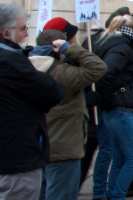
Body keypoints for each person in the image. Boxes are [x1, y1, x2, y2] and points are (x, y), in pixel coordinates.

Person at [0, 3, 64, 199]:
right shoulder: (7, 60)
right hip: (16, 158)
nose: (26, 34)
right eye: (23, 28)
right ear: (6, 34)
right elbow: (53, 92)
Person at [36, 22, 108, 200]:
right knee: (61, 193)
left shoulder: (27, 69)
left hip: (41, 144)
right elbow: (98, 67)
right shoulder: (62, 72)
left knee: (44, 191)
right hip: (64, 146)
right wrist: (70, 49)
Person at [89, 14, 133, 200]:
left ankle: (113, 194)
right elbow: (105, 74)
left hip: (118, 108)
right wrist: (108, 99)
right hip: (120, 110)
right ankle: (116, 194)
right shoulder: (122, 47)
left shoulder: (115, 43)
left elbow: (121, 78)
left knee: (120, 157)